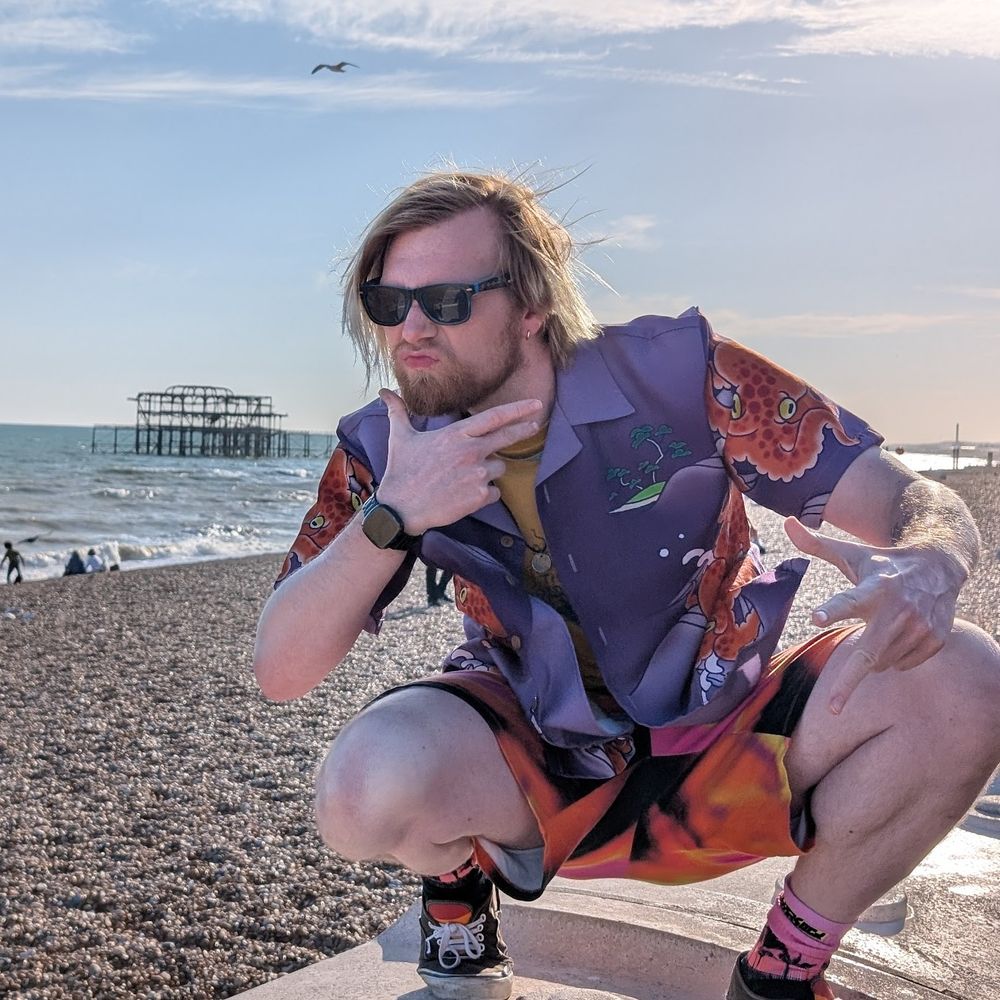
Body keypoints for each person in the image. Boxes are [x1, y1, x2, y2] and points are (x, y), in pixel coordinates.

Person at [254, 171, 1000, 1000]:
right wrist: (394, 513)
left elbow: (911, 500)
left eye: (448, 301)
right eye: (389, 302)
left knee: (970, 677)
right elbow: (281, 669)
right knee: (360, 790)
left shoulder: (685, 377)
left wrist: (933, 555)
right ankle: (460, 881)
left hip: (723, 721)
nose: (412, 329)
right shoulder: (385, 450)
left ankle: (783, 967)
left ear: (533, 305)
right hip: (531, 738)